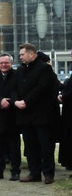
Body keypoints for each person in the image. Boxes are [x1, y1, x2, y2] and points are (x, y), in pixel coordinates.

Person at [13, 43, 59, 184]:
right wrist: (16, 101)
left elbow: (42, 88)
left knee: (45, 146)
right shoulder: (19, 71)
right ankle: (34, 173)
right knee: (30, 145)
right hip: (25, 115)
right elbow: (13, 88)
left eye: (22, 54)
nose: (20, 57)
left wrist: (26, 101)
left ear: (31, 54)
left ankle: (48, 174)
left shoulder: (44, 68)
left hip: (42, 114)